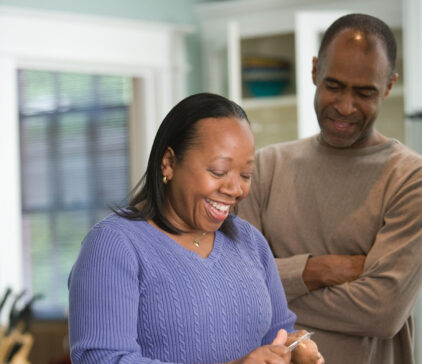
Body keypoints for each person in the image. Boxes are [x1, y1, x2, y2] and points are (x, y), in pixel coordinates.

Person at [68, 93, 324, 364]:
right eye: (218, 171)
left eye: (246, 175)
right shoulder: (113, 245)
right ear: (168, 162)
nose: (236, 189)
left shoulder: (250, 242)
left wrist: (296, 349)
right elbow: (101, 359)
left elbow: (278, 334)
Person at [238, 13, 422, 364]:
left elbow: (383, 311)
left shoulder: (411, 178)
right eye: (334, 86)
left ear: (389, 85)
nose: (345, 106)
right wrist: (316, 270)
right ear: (314, 72)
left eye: (364, 92)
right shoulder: (265, 167)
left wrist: (274, 283)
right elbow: (236, 285)